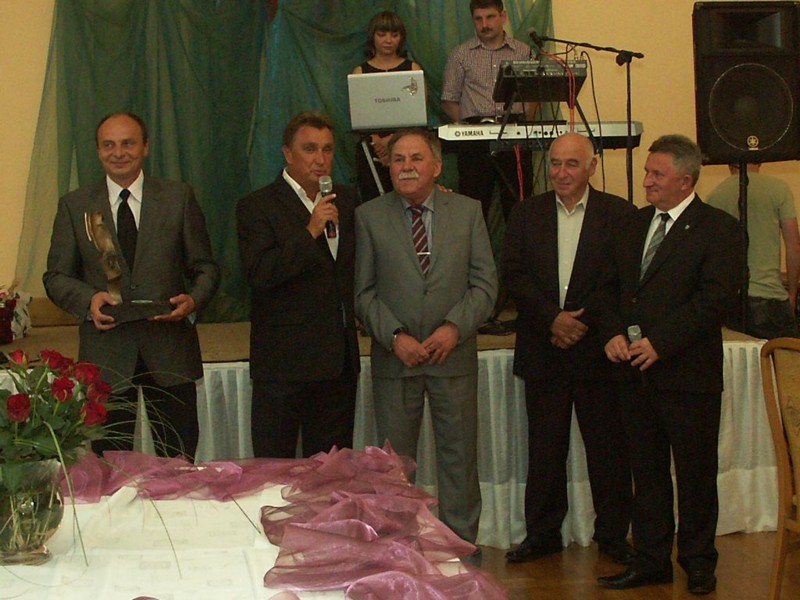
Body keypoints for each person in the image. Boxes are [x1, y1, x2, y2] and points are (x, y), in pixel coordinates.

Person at [596, 135, 741, 595]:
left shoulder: (719, 229)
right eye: (647, 172)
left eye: (657, 174)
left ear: (686, 180)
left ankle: (698, 561)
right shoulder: (633, 224)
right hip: (635, 376)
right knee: (647, 474)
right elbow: (607, 288)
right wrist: (611, 332)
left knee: (695, 475)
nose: (647, 182)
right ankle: (651, 560)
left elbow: (714, 300)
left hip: (688, 378)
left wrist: (661, 343)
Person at [44, 112, 220, 460]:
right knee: (112, 468)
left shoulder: (178, 198)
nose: (119, 152)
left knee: (179, 462)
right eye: (109, 145)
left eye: (128, 143)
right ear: (98, 150)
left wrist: (193, 300)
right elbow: (55, 277)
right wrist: (88, 299)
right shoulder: (76, 206)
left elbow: (206, 268)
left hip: (169, 352)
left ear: (145, 147)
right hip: (107, 355)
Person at [354, 128, 497, 548]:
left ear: (436, 166)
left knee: (459, 460)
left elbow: (485, 285)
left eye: (416, 158)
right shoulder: (368, 216)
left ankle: (459, 548)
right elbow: (363, 293)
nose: (407, 167)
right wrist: (394, 336)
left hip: (453, 357)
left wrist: (454, 328)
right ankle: (397, 550)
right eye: (398, 159)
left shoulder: (468, 211)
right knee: (393, 467)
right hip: (396, 361)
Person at [502, 133, 634, 564]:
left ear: (592, 167)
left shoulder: (619, 215)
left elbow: (619, 281)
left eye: (572, 164)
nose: (561, 172)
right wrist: (552, 319)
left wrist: (580, 322)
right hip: (544, 347)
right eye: (555, 163)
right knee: (544, 450)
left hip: (598, 351)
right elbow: (514, 275)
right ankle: (542, 535)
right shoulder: (526, 214)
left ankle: (613, 536)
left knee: (607, 450)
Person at [237, 111, 359, 459]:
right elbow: (260, 274)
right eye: (309, 149)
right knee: (275, 471)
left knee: (332, 473)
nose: (320, 159)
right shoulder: (257, 206)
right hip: (283, 366)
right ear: (288, 153)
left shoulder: (347, 199)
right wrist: (309, 231)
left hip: (337, 364)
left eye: (327, 149)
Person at [441, 0, 535, 223]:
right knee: (473, 208)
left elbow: (533, 96)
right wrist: (471, 128)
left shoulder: (523, 52)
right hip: (475, 143)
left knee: (519, 207)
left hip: (514, 137)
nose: (485, 24)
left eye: (490, 17)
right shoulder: (460, 54)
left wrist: (523, 126)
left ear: (503, 16)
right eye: (479, 19)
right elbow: (448, 100)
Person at [707, 163, 800, 339]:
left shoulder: (716, 194)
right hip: (769, 297)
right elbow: (794, 247)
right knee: (786, 356)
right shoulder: (778, 189)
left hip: (731, 300)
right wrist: (792, 293)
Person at [351, 11, 422, 202]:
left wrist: (393, 141)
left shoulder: (413, 69)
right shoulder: (360, 72)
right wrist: (378, 143)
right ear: (372, 37)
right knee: (374, 202)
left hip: (407, 146)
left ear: (401, 38)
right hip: (370, 149)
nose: (388, 40)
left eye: (394, 35)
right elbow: (359, 116)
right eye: (382, 34)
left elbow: (417, 114)